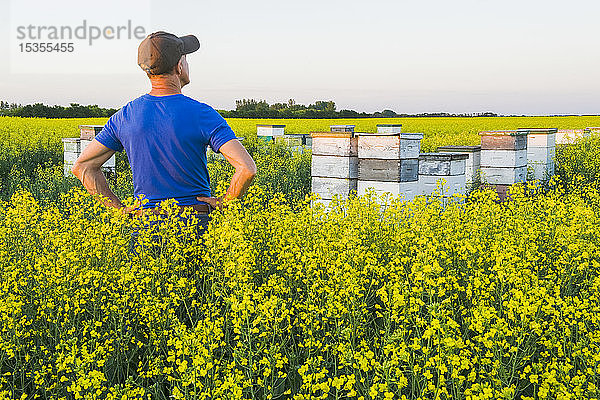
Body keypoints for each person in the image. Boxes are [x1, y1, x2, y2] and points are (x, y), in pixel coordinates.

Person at [72, 31, 257, 235]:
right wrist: (226, 201)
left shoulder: (124, 116)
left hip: (144, 228)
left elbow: (83, 166)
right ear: (179, 66)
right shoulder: (203, 114)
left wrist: (119, 211)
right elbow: (247, 168)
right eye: (185, 59)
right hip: (195, 224)